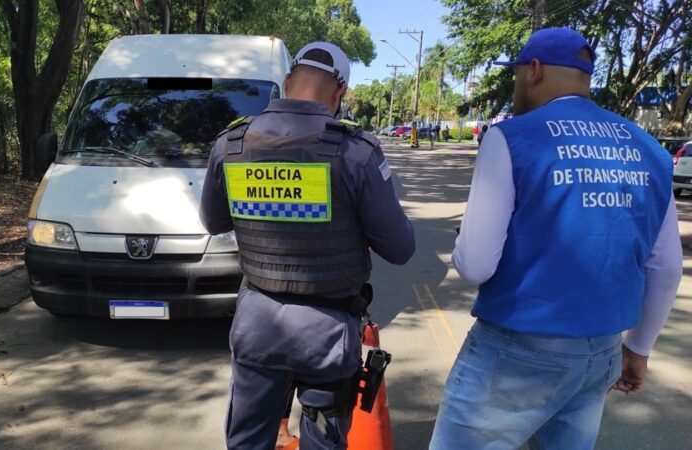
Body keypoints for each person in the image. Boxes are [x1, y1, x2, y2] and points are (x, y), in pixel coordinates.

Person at [429, 27, 682, 450]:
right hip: (601, 350)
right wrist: (639, 348)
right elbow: (666, 265)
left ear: (534, 70)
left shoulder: (511, 137)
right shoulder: (650, 149)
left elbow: (475, 265)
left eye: (516, 75)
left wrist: (460, 247)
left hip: (516, 352)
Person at [200, 41, 415, 450]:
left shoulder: (232, 142)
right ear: (340, 93)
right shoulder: (355, 151)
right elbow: (400, 248)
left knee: (246, 441)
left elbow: (213, 221)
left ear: (286, 82)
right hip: (328, 337)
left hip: (257, 326)